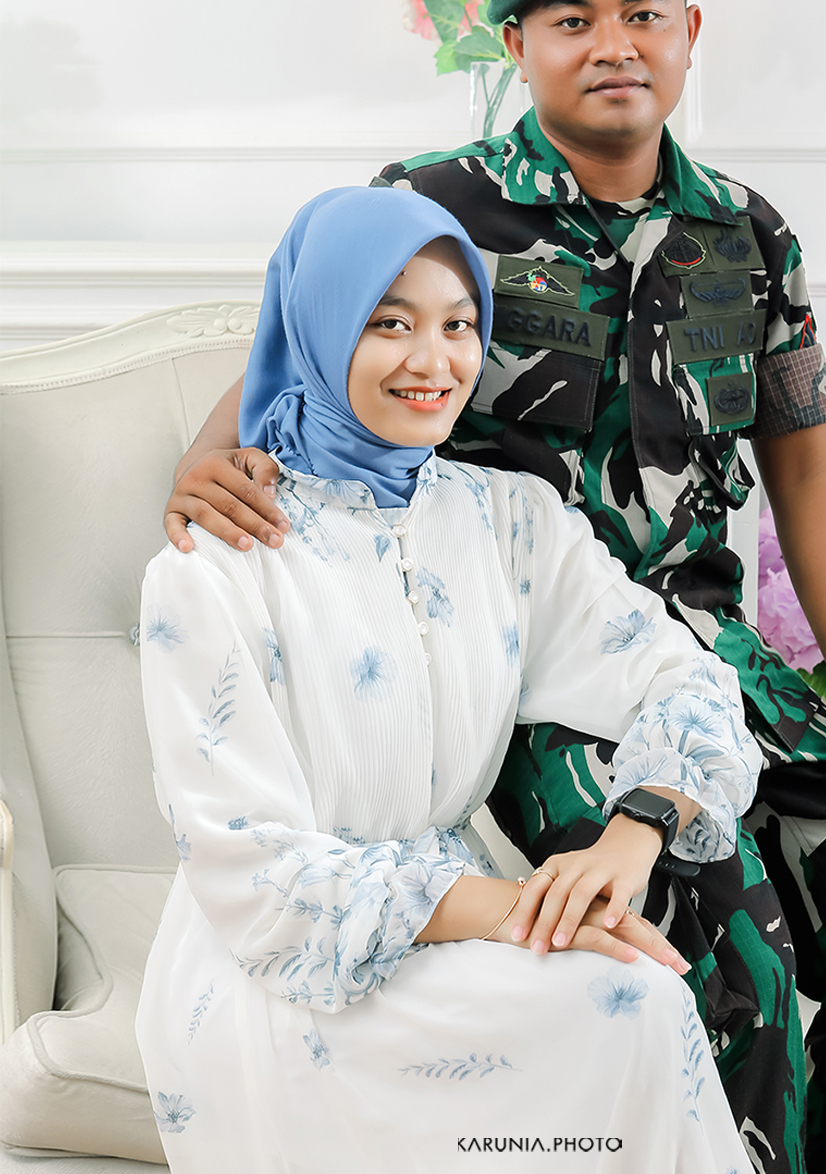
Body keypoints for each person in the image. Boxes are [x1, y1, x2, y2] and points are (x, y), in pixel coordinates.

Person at [160, 0, 826, 1173]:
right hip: (530, 677)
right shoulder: (439, 208)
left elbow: (804, 459)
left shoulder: (749, 233)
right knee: (730, 951)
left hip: (715, 662)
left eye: (643, 14)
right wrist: (199, 465)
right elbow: (308, 351)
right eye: (573, 19)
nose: (614, 42)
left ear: (688, 32)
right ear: (518, 45)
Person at [138, 184, 760, 1173]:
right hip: (286, 969)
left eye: (459, 325)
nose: (434, 363)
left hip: (462, 926)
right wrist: (520, 912)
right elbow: (253, 872)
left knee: (637, 999)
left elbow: (682, 678)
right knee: (627, 1000)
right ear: (318, 325)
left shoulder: (505, 522)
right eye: (388, 324)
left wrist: (636, 831)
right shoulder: (212, 562)